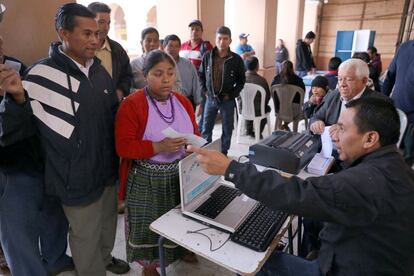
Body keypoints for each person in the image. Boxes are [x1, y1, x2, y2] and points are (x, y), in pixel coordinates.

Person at [188, 96, 414, 276]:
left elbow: (298, 194)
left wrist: (231, 168)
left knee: (252, 263)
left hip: (349, 268)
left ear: (370, 139)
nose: (334, 136)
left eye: (342, 129)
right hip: (370, 260)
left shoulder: (366, 181)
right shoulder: (396, 167)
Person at [0, 3, 129, 275]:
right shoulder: (38, 76)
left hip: (106, 172)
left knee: (107, 230)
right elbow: (16, 133)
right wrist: (17, 100)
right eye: (87, 33)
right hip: (75, 180)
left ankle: (105, 261)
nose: (96, 39)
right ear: (64, 33)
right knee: (85, 239)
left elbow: (111, 116)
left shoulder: (98, 70)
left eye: (97, 32)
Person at [115, 50, 200, 276]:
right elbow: (123, 147)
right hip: (146, 181)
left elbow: (195, 131)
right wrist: (158, 147)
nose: (166, 79)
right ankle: (150, 267)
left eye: (171, 73)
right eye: (158, 74)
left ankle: (180, 250)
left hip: (179, 176)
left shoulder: (182, 102)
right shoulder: (132, 105)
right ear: (145, 75)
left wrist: (193, 146)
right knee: (150, 228)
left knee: (180, 221)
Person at [199, 26, 246, 155]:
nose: (222, 41)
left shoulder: (236, 60)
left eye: (225, 39)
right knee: (206, 127)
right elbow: (201, 76)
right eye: (219, 38)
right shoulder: (207, 56)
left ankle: (223, 152)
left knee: (227, 127)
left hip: (227, 100)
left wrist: (231, 95)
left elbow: (241, 81)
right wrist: (205, 91)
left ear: (230, 41)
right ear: (215, 39)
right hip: (210, 98)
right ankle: (205, 151)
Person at [310, 58, 385, 135]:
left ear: (364, 81)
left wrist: (346, 131)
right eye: (339, 79)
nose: (342, 84)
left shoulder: (379, 103)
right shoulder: (333, 96)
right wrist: (316, 123)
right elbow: (316, 116)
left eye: (348, 79)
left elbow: (379, 136)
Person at [87, 2, 133, 101]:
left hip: (113, 106)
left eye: (108, 23)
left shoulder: (117, 49)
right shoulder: (82, 49)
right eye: (101, 22)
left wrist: (121, 91)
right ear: (89, 21)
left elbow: (127, 76)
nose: (106, 27)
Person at [383, 40, 414, 165]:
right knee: (386, 151)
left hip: (412, 119)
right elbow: (390, 76)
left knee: (407, 156)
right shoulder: (405, 47)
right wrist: (383, 102)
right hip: (395, 112)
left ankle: (403, 183)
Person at [179, 19, 213, 133]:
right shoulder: (182, 46)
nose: (194, 32)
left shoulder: (206, 47)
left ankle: (200, 136)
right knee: (184, 112)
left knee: (201, 113)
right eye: (192, 29)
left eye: (197, 29)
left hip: (199, 86)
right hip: (183, 86)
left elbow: (210, 68)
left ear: (202, 31)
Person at [163, 34, 201, 111]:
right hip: (166, 102)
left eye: (176, 46)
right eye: (170, 46)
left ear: (180, 48)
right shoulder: (159, 65)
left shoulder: (188, 64)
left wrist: (199, 102)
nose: (173, 49)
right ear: (164, 47)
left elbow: (196, 83)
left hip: (186, 101)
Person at [271, 60, 305, 130]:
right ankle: (286, 125)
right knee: (294, 106)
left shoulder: (276, 80)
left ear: (281, 68)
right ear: (292, 68)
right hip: (294, 111)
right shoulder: (299, 81)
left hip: (279, 109)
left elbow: (273, 96)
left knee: (285, 106)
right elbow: (302, 98)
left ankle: (283, 126)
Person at [243, 56, 270, 138]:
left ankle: (249, 130)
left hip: (243, 109)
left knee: (248, 106)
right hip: (258, 111)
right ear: (257, 66)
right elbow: (267, 97)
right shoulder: (262, 80)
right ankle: (257, 132)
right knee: (267, 108)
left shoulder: (240, 79)